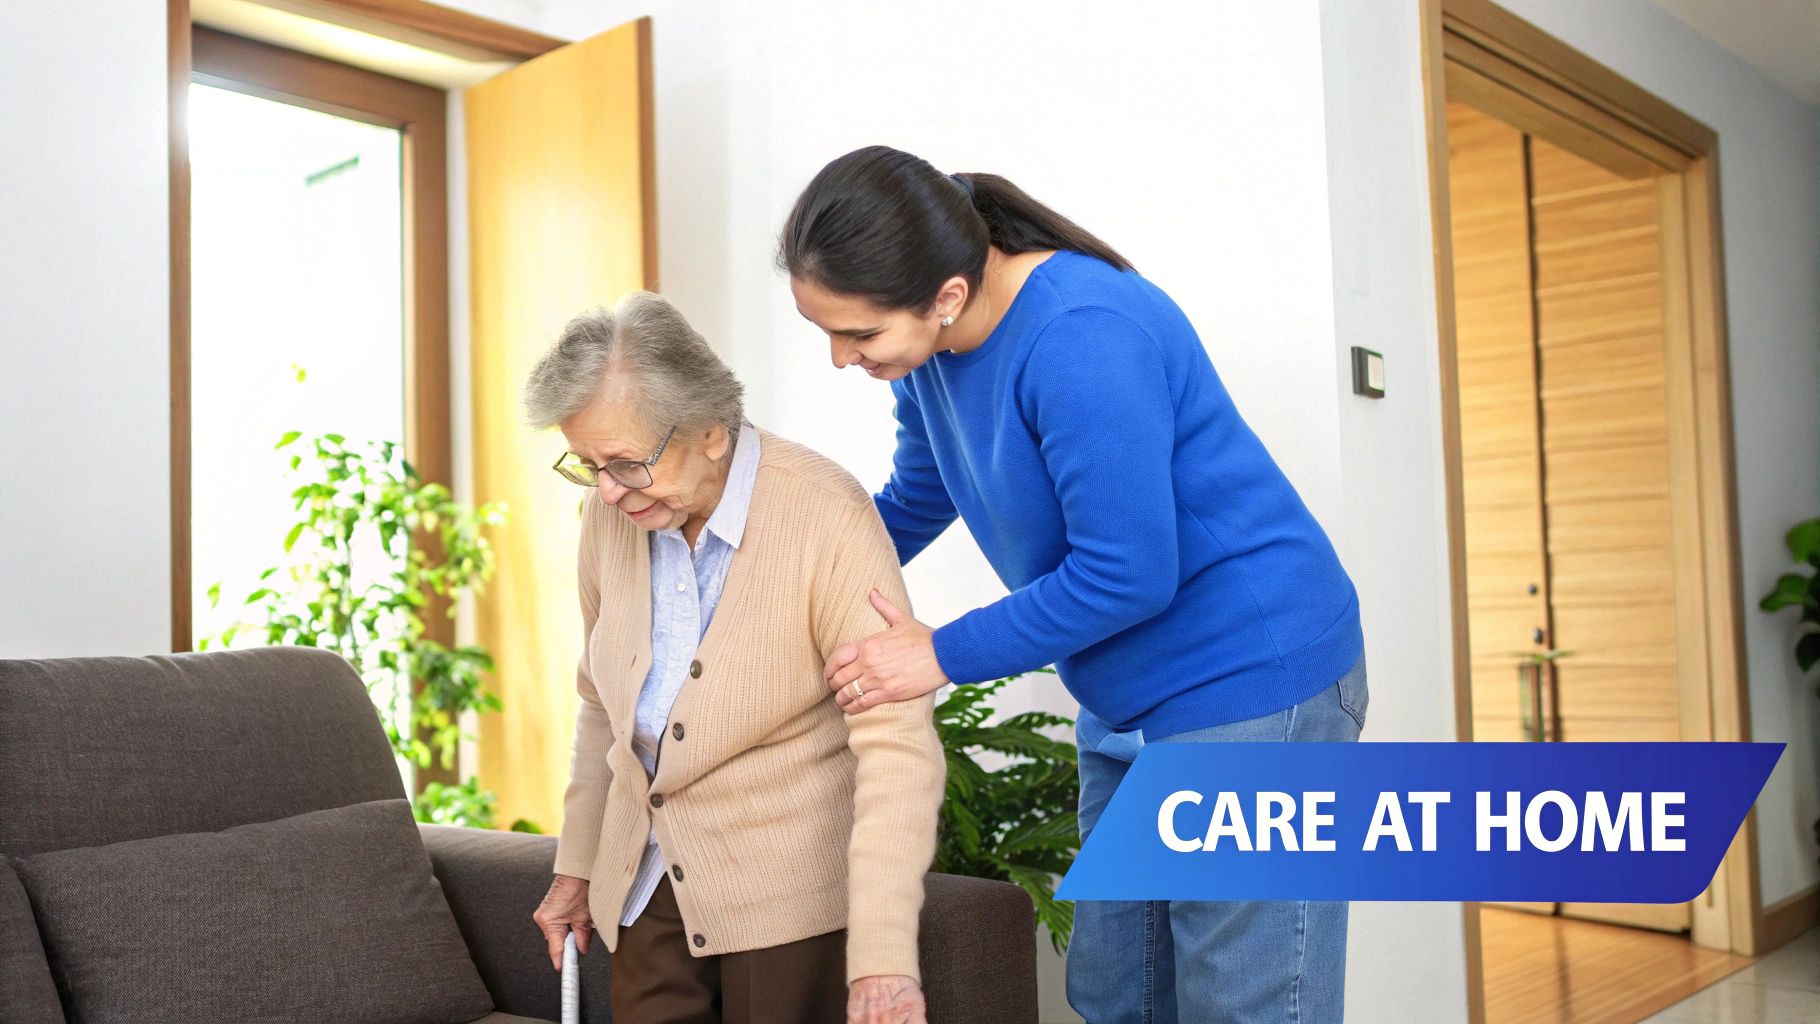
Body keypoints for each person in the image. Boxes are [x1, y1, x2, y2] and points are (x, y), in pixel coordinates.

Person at [778, 146, 1368, 1024]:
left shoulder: (1083, 336)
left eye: (859, 335)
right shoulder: (932, 352)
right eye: (827, 332)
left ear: (945, 294)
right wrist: (783, 574)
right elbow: (921, 492)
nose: (840, 358)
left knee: (1240, 1003)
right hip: (1129, 694)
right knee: (1119, 992)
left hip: (1251, 679)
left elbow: (1128, 573)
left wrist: (939, 652)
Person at [524, 291, 943, 1024]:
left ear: (712, 432)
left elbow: (897, 744)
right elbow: (602, 707)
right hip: (648, 884)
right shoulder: (612, 516)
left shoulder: (825, 513)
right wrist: (577, 865)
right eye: (587, 465)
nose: (606, 491)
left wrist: (882, 957)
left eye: (624, 463)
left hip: (791, 903)